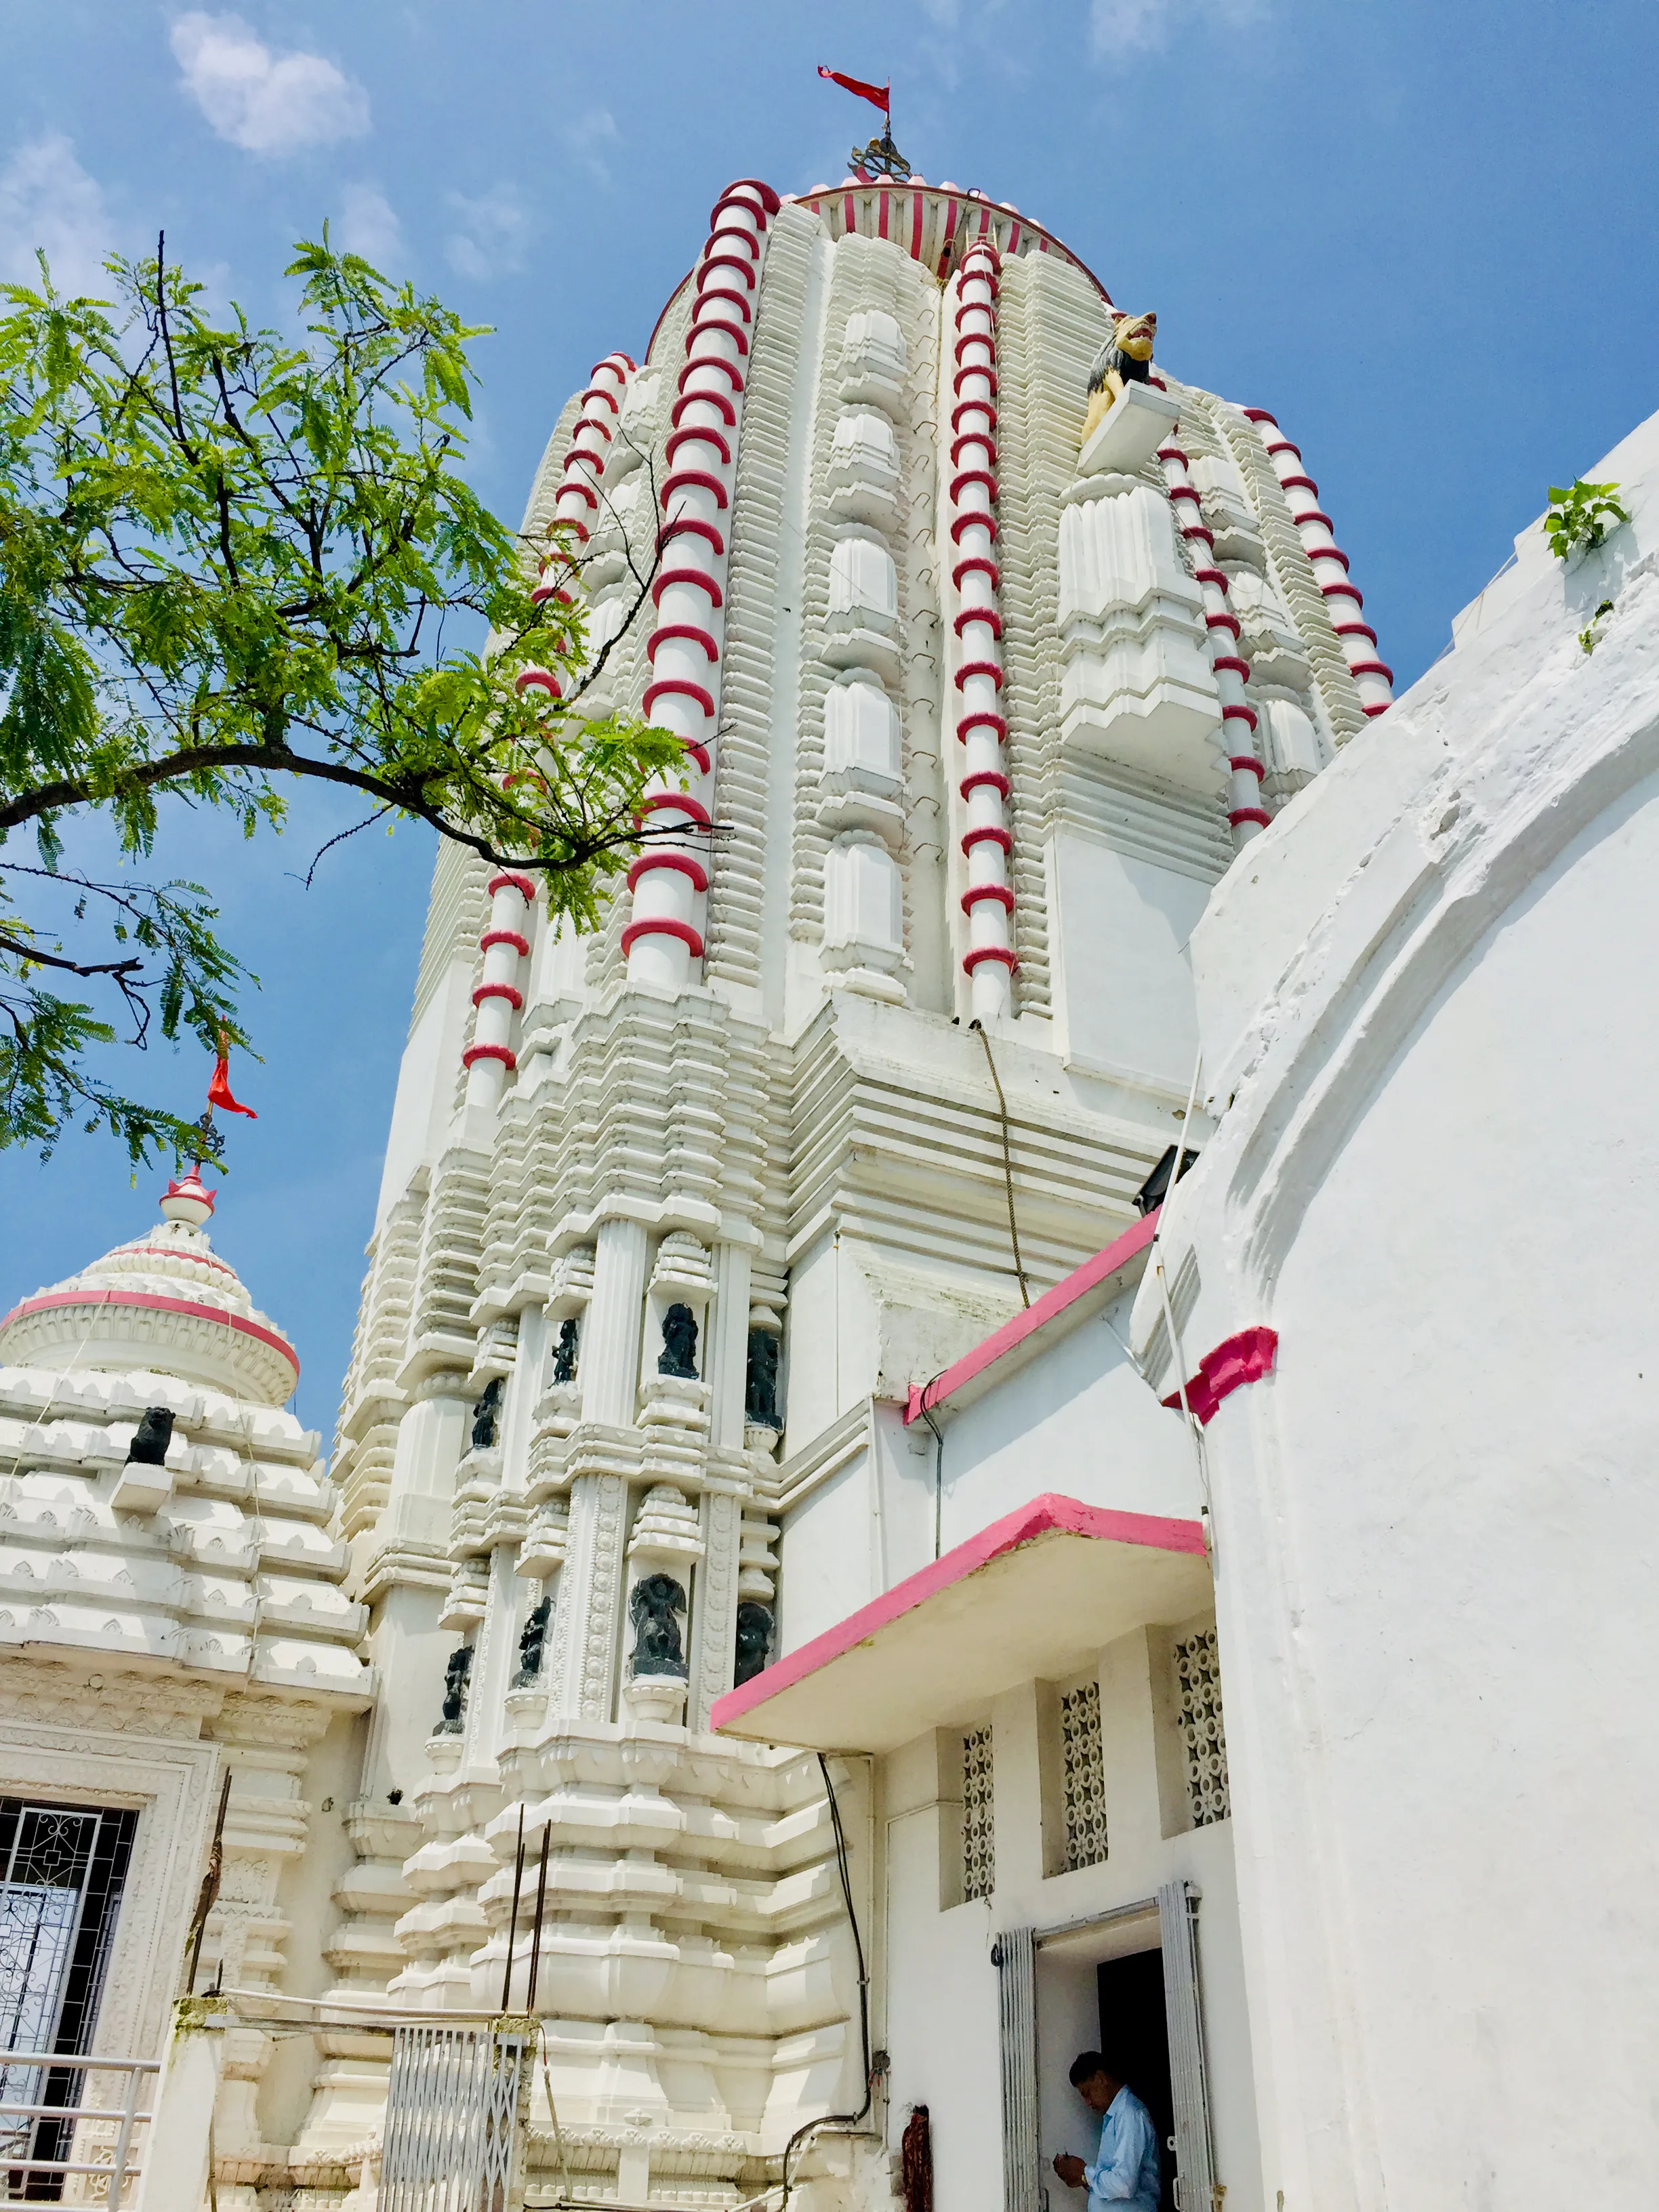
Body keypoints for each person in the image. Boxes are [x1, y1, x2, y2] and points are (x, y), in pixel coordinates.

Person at [1052, 2049, 1162, 2212]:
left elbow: (1124, 2184)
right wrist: (1082, 2178)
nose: (1087, 2102)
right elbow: (1112, 2187)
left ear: (1101, 2079)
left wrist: (1084, 2172)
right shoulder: (1114, 2116)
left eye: (1087, 2093)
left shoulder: (1129, 2114)